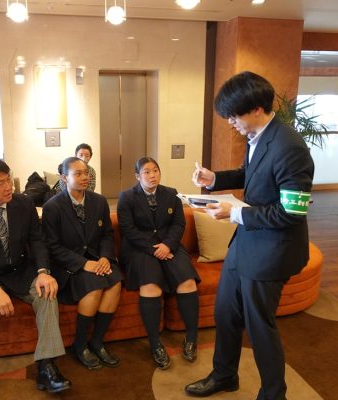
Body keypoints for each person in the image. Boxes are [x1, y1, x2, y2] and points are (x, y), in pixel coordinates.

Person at [185, 71, 314, 400]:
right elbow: (250, 173)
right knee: (225, 313)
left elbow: (292, 212)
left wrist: (236, 213)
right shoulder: (257, 136)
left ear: (257, 109)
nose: (230, 122)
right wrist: (215, 179)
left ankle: (274, 394)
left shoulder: (290, 147)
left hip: (272, 250)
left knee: (259, 326)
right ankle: (224, 375)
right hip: (245, 243)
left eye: (233, 115)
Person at [0, 158, 71, 400]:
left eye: (9, 179)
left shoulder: (24, 204)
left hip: (19, 270)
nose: (9, 187)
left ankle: (46, 365)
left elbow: (37, 241)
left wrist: (43, 272)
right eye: (0, 183)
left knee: (47, 293)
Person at [117, 157, 200, 370]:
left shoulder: (171, 194)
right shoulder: (126, 197)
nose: (152, 175)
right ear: (137, 176)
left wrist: (168, 246)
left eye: (155, 170)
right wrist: (155, 249)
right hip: (140, 248)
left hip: (169, 246)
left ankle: (191, 337)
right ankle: (155, 344)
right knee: (151, 286)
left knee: (187, 281)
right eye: (147, 172)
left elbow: (178, 224)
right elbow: (128, 230)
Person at [42, 157, 122, 370]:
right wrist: (83, 264)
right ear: (64, 178)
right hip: (69, 265)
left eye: (86, 173)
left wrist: (105, 257)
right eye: (77, 174)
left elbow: (107, 234)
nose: (85, 177)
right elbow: (53, 246)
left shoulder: (99, 201)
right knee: (94, 286)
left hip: (98, 259)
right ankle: (80, 344)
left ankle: (97, 341)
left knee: (115, 282)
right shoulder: (52, 207)